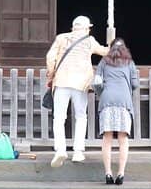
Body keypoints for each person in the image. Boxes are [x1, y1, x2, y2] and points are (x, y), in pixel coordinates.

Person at [45, 15, 108, 167]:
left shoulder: (61, 38)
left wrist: (51, 73)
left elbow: (50, 57)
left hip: (62, 81)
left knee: (59, 118)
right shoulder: (89, 41)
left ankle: (60, 149)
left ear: (73, 27)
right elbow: (105, 52)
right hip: (81, 83)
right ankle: (78, 151)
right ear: (87, 28)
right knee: (81, 116)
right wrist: (111, 44)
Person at [94, 38, 139, 185]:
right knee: (122, 139)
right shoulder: (129, 63)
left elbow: (97, 82)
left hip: (107, 100)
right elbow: (135, 84)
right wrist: (126, 90)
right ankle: (120, 173)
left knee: (107, 139)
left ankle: (107, 173)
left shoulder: (103, 62)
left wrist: (102, 93)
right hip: (123, 101)